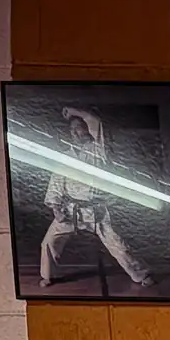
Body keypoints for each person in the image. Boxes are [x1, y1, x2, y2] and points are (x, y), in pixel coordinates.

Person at [38, 106, 151, 289]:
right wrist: (56, 209)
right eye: (72, 129)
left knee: (118, 246)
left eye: (79, 127)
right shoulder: (65, 157)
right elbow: (56, 184)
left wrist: (75, 112)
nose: (75, 132)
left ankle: (141, 275)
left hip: (97, 211)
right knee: (49, 242)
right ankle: (48, 276)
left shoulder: (99, 150)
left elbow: (96, 121)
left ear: (87, 129)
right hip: (71, 211)